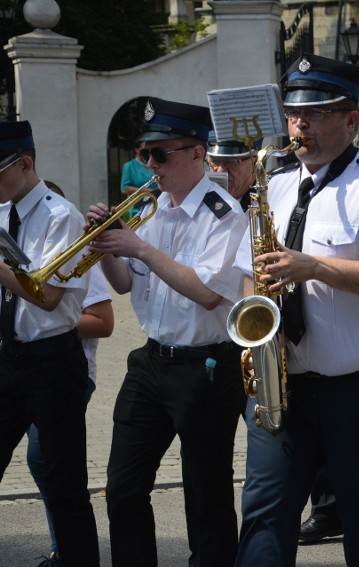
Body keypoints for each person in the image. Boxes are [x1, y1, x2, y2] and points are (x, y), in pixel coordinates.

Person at [233, 53, 359, 567]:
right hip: (285, 383)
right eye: (296, 113)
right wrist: (256, 332)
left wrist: (316, 267)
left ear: (349, 121)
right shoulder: (272, 186)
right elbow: (251, 272)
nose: (301, 124)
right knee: (262, 522)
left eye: (317, 113)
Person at [87, 98, 248, 567]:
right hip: (151, 360)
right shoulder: (150, 210)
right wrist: (106, 247)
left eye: (162, 155)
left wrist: (138, 245)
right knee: (123, 487)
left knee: (206, 493)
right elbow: (122, 284)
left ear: (198, 153)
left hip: (207, 366)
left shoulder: (225, 215)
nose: (150, 165)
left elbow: (208, 293)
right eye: (144, 154)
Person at [0, 120, 101, 566]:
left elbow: (48, 296)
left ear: (25, 163)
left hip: (52, 362)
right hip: (8, 357)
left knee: (64, 485)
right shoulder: (4, 212)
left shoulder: (62, 215)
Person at [22, 181, 114, 567]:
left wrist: (53, 320)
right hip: (20, 363)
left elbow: (104, 322)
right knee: (45, 463)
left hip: (62, 365)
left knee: (48, 461)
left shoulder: (75, 251)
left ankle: (65, 549)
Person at [207, 134, 259, 211]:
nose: (221, 171)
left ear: (254, 163)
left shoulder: (269, 202)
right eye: (215, 161)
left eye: (231, 162)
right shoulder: (202, 201)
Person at [120, 137, 158, 217]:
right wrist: (148, 191)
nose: (146, 152)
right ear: (136, 149)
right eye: (143, 150)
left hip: (155, 204)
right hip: (138, 207)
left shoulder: (153, 164)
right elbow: (124, 188)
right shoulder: (129, 166)